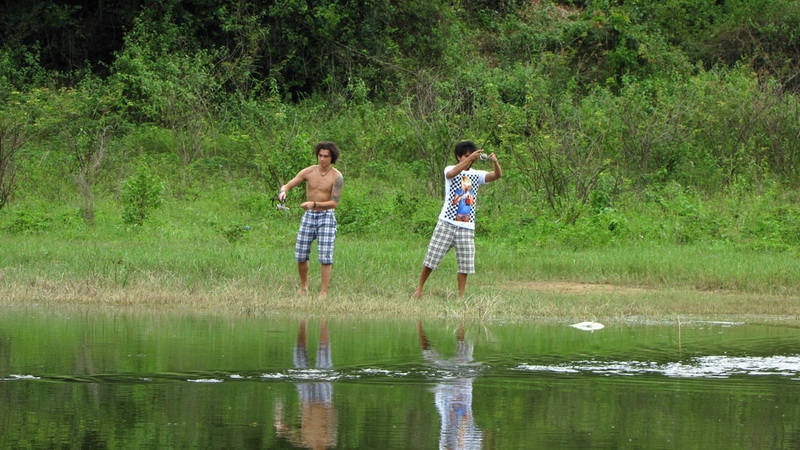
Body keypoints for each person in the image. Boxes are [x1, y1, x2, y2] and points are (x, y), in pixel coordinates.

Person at [413, 140, 502, 298]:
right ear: (458, 156)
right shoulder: (450, 169)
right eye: (466, 156)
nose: (470, 159)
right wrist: (469, 160)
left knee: (465, 264)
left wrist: (495, 163)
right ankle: (419, 289)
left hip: (466, 226)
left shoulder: (476, 174)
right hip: (446, 223)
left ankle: (461, 296)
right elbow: (452, 174)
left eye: (472, 156)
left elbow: (496, 175)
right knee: (432, 258)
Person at [279, 142, 344, 299]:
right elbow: (289, 184)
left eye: (326, 156)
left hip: (326, 215)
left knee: (325, 256)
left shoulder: (337, 177)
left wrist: (314, 204)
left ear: (332, 158)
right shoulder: (309, 171)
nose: (322, 159)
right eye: (320, 155)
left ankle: (323, 292)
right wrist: (283, 191)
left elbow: (334, 203)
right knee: (301, 253)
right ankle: (304, 287)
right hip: (309, 216)